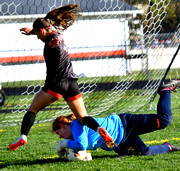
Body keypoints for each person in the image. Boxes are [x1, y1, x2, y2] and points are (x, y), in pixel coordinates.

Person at [7, 4, 114, 151]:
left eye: (38, 34)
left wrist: (52, 44)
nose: (38, 38)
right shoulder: (57, 33)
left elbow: (52, 43)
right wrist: (32, 31)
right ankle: (100, 129)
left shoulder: (52, 41)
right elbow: (49, 35)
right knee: (82, 117)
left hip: (56, 84)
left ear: (43, 30)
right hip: (72, 82)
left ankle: (23, 137)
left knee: (33, 109)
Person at [53, 80, 180, 158]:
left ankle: (164, 90)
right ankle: (168, 147)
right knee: (146, 152)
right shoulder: (75, 136)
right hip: (121, 141)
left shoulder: (76, 124)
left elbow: (82, 144)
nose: (61, 138)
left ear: (63, 125)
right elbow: (82, 146)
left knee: (164, 120)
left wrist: (62, 145)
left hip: (125, 124)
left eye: (59, 133)